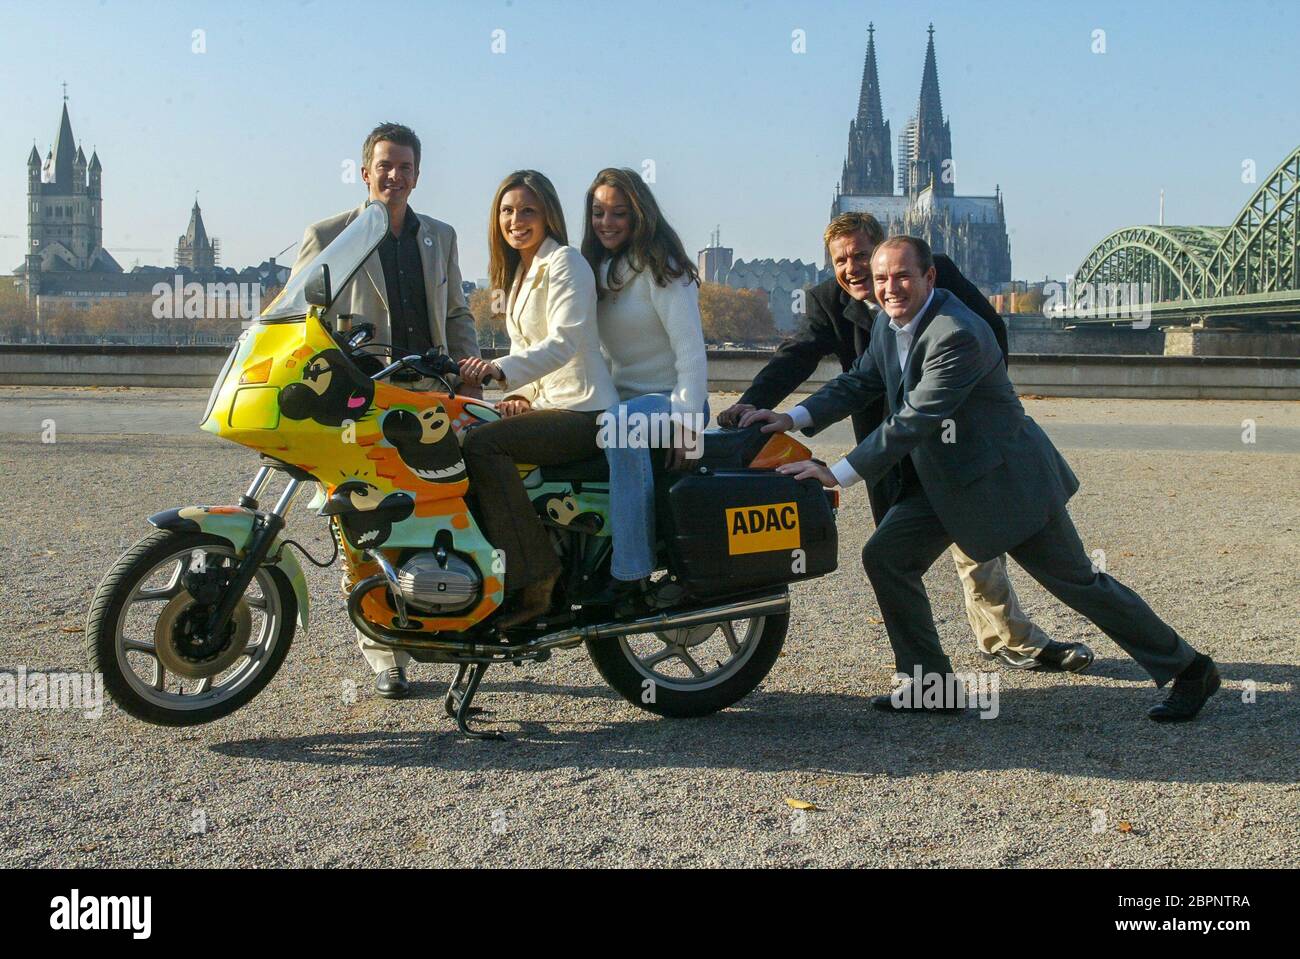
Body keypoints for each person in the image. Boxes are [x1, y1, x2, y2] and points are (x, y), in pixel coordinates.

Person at [743, 236, 1220, 721]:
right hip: (944, 481)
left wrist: (835, 472)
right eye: (883, 278)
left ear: (930, 277)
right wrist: (793, 418)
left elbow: (914, 419)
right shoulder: (892, 322)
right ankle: (931, 686)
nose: (890, 288)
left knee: (1079, 584)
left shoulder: (957, 333)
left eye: (903, 276)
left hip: (1002, 482)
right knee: (886, 557)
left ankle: (1189, 668)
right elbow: (860, 381)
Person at [720, 213, 1089, 673]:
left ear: (884, 251)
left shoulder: (938, 274)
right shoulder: (827, 300)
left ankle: (1010, 639)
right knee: (892, 554)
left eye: (860, 256)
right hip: (884, 444)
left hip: (951, 435)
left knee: (979, 546)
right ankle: (924, 672)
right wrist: (751, 407)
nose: (852, 269)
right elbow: (795, 358)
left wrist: (972, 404)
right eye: (841, 260)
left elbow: (990, 331)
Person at [291, 122, 481, 700]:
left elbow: (456, 314)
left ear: (417, 174)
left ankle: (444, 619)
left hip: (427, 392)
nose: (393, 175)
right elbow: (304, 322)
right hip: (362, 396)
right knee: (362, 518)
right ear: (364, 170)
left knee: (445, 506)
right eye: (384, 165)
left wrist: (469, 372)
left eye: (404, 167)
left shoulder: (441, 236)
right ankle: (381, 648)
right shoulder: (329, 233)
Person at [458, 170, 620, 628]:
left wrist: (498, 370)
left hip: (584, 409)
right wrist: (519, 395)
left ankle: (536, 574)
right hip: (550, 402)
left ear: (548, 214)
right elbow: (534, 348)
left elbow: (565, 341)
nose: (516, 220)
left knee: (482, 445)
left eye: (528, 210)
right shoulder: (520, 273)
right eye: (507, 211)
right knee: (461, 430)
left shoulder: (566, 262)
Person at [581, 168, 708, 607]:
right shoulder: (593, 270)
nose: (607, 222)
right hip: (624, 401)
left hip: (671, 401)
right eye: (598, 212)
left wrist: (688, 425)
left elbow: (691, 354)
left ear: (639, 215)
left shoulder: (663, 269)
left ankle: (631, 572)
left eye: (619, 212)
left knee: (620, 425)